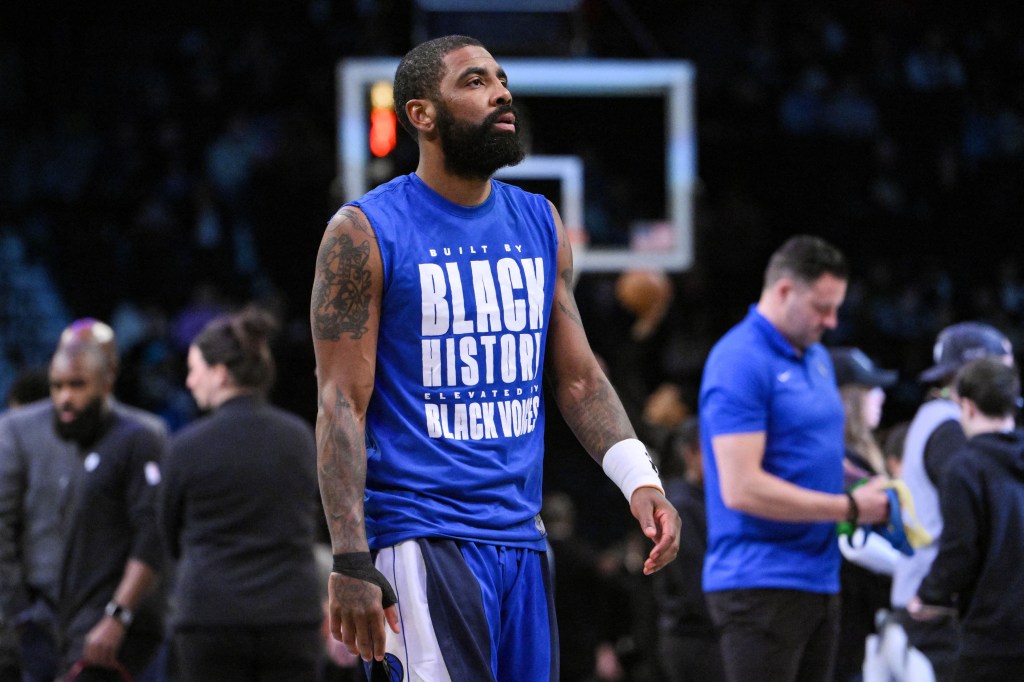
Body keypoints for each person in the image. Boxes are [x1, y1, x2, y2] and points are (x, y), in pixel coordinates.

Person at [310, 34, 681, 681]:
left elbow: (580, 379)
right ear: (422, 114)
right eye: (475, 82)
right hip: (423, 539)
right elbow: (341, 403)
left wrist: (639, 479)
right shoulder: (363, 231)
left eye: (502, 79)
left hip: (522, 537)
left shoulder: (539, 222)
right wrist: (349, 558)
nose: (502, 93)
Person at [698, 234, 891, 682]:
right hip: (759, 582)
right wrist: (850, 508)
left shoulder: (818, 357)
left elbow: (810, 454)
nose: (832, 320)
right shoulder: (738, 360)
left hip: (819, 578)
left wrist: (861, 482)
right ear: (784, 291)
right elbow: (741, 487)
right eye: (822, 308)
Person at [159, 306, 324, 680]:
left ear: (219, 374)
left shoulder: (186, 446)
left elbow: (169, 538)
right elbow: (314, 519)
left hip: (210, 621)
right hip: (291, 619)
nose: (189, 382)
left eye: (193, 369)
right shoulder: (299, 438)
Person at [0, 320, 167, 682]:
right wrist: (20, 614)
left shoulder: (140, 435)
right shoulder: (20, 430)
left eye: (77, 382)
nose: (65, 396)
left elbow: (152, 533)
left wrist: (120, 615)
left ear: (109, 374)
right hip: (38, 617)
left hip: (114, 621)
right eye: (59, 384)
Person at [890, 321, 1013, 682]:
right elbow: (973, 521)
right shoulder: (950, 428)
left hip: (937, 602)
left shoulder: (939, 419)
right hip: (938, 609)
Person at [829, 347, 899, 682]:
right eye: (871, 389)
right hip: (844, 608)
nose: (881, 396)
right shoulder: (834, 458)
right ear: (850, 399)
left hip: (862, 608)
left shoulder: (858, 455)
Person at [652, 417, 725, 681]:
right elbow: (693, 580)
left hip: (712, 633)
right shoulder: (680, 503)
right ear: (690, 454)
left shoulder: (713, 499)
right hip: (694, 637)